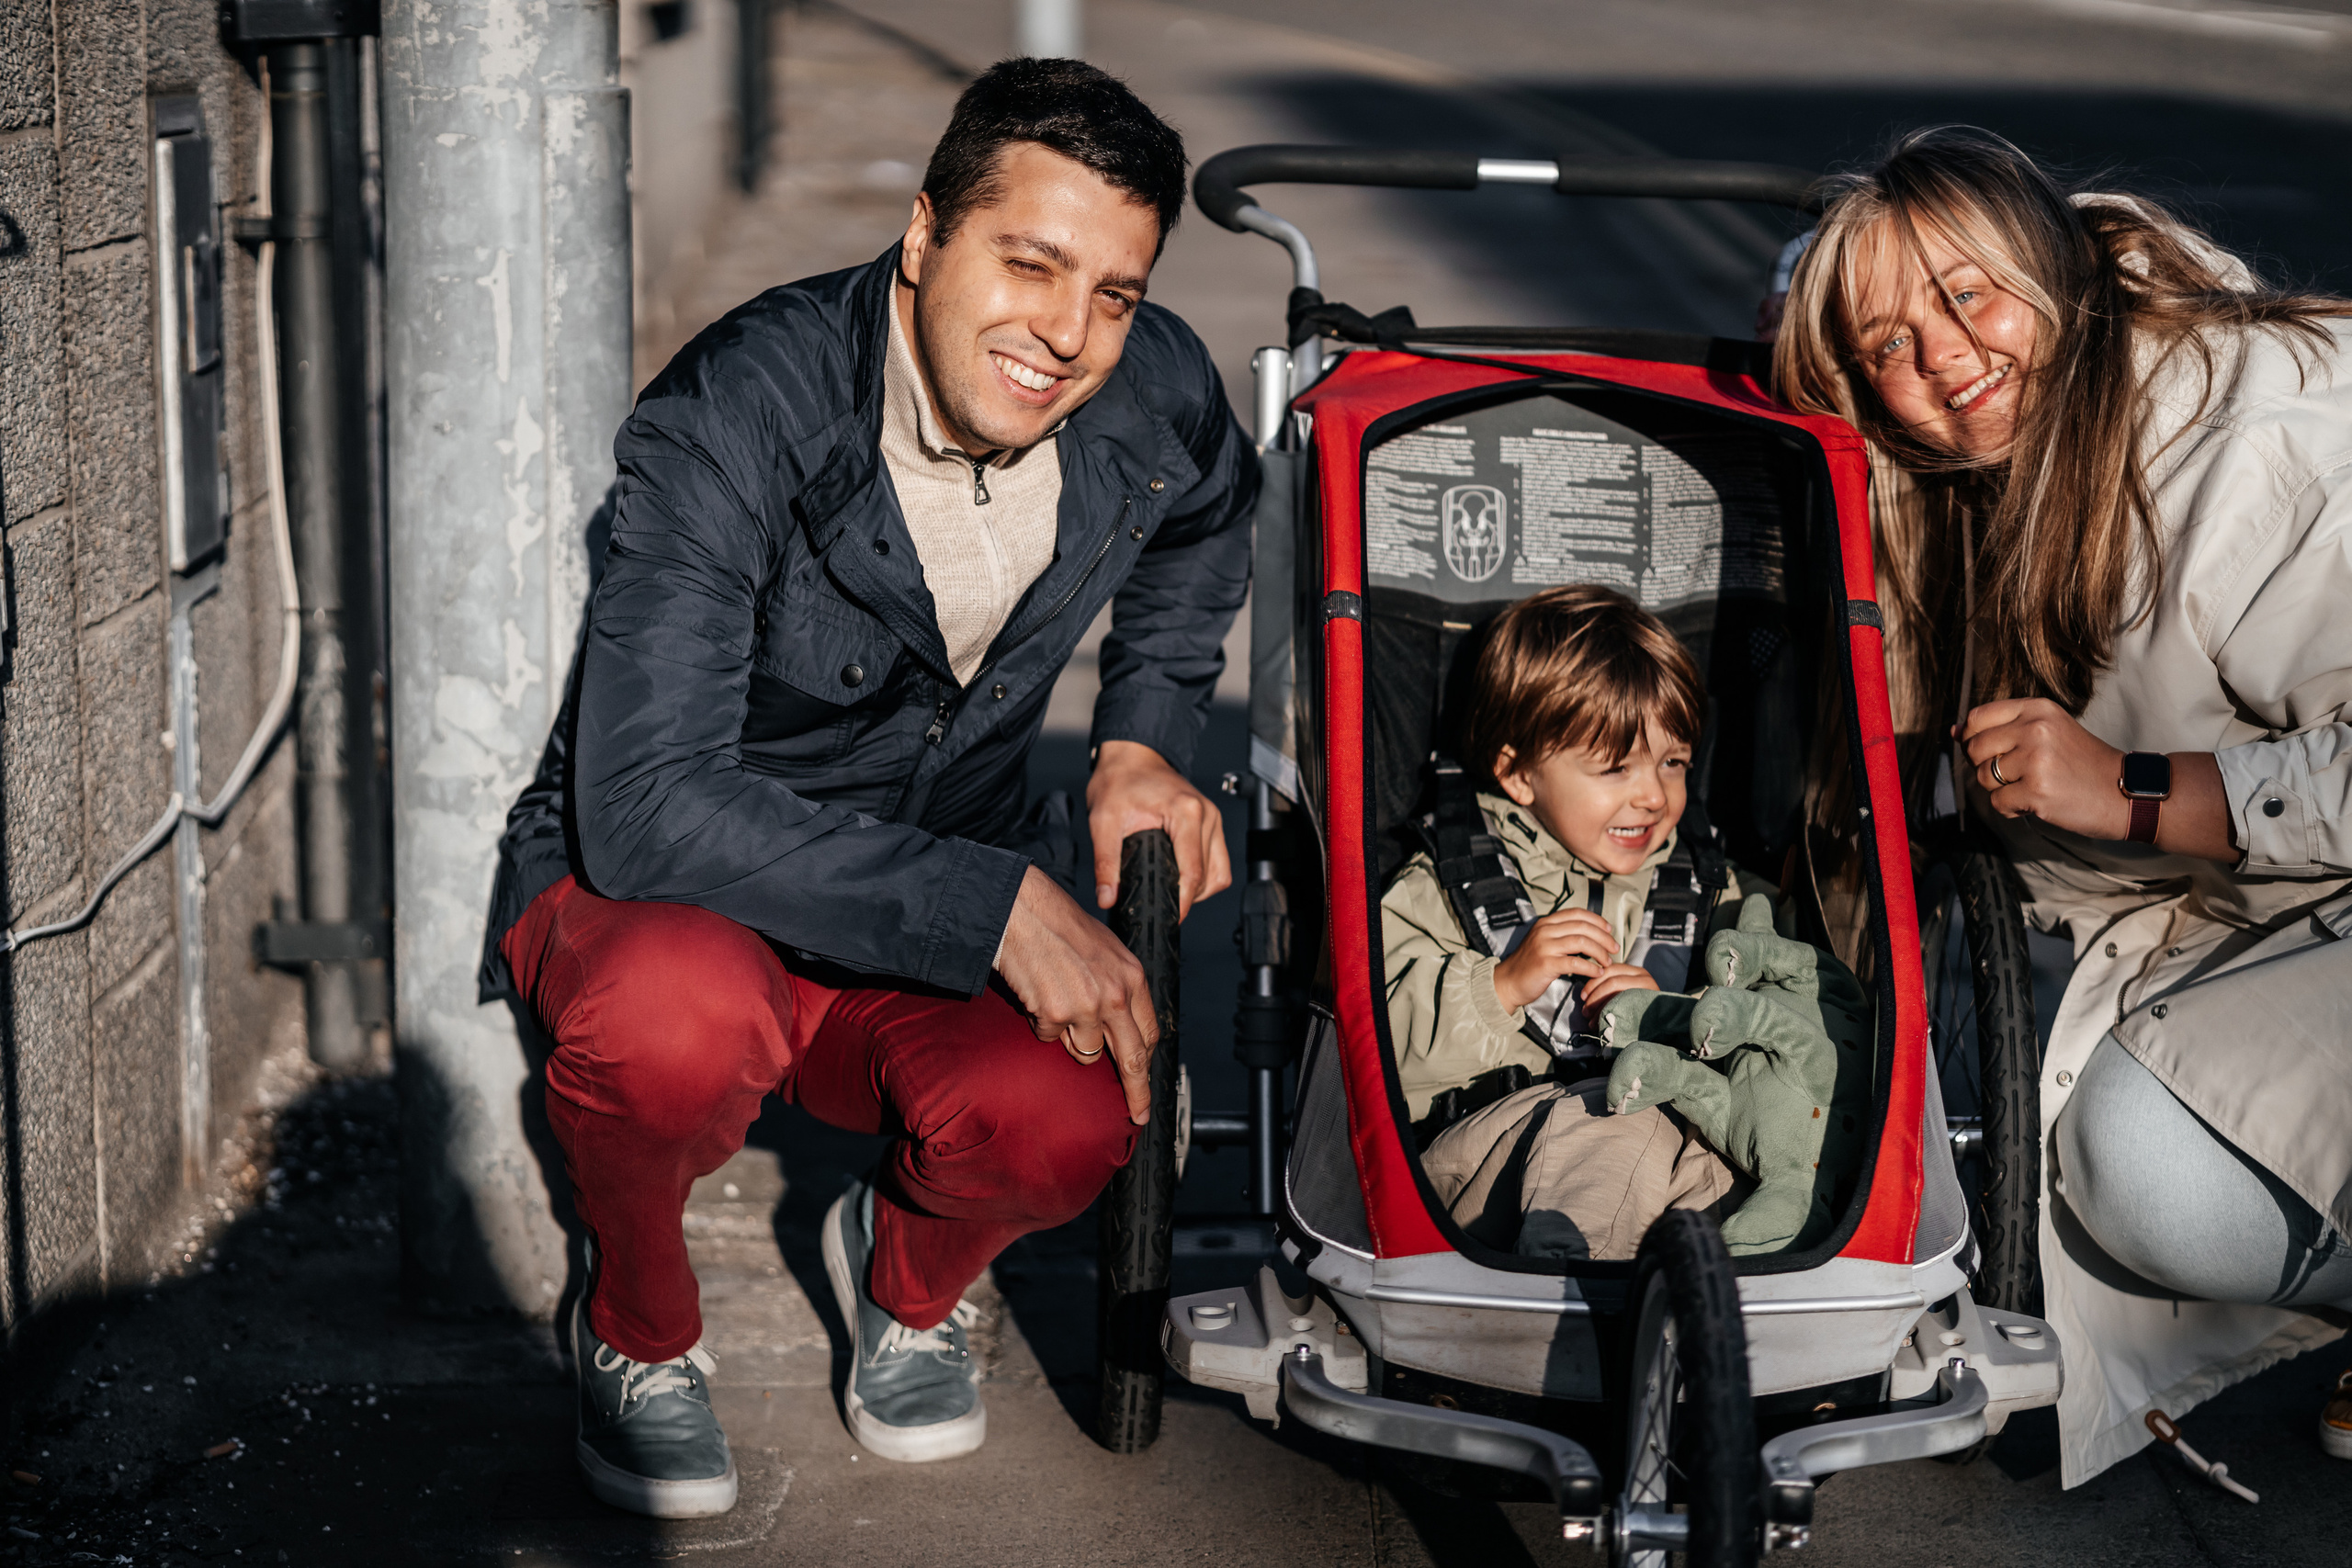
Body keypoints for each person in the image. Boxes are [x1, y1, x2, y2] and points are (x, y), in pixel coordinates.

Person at [481, 60, 1254, 1516]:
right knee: (671, 1024)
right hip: (672, 896)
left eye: (1115, 291)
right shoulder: (738, 408)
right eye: (1030, 265)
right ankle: (634, 1325)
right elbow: (647, 806)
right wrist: (997, 903)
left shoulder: (1148, 388)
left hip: (927, 886)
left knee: (1086, 1101)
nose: (1069, 335)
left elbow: (1213, 513)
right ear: (923, 236)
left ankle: (902, 1277)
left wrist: (1142, 730)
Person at [1775, 125, 2352, 1484]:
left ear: (2050, 260)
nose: (1942, 362)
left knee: (2142, 1156)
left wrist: (2140, 788)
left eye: (1969, 297)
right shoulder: (1987, 444)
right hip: (2224, 904)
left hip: (2278, 874)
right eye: (1886, 348)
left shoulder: (2266, 443)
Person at [1381, 586, 1792, 1261]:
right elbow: (1376, 1043)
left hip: (1669, 1153)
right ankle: (1567, 1305)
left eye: (1673, 761)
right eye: (1614, 767)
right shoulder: (1442, 885)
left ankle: (1709, 1328)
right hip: (1487, 1174)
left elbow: (1779, 1012)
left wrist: (1678, 1016)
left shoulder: (1712, 891)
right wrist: (1501, 985)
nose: (1654, 795)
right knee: (1610, 1114)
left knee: (1734, 1175)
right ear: (1519, 774)